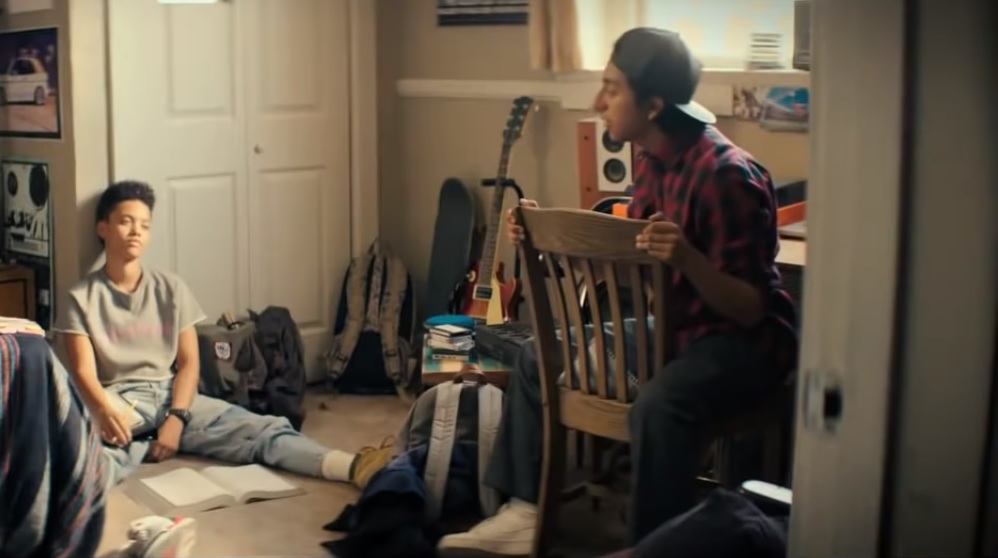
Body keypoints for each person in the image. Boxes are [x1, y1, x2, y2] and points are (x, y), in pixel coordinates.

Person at [437, 27, 799, 555]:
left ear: (653, 105)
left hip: (741, 343)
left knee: (658, 407)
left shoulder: (727, 178)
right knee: (538, 358)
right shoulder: (650, 161)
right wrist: (545, 239)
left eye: (611, 88)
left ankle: (652, 547)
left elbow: (750, 308)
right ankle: (524, 513)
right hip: (673, 326)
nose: (597, 102)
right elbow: (633, 266)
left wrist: (688, 259)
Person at [56, 180, 376, 486]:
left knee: (263, 429)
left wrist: (177, 418)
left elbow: (189, 364)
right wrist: (104, 411)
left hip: (171, 394)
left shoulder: (171, 288)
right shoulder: (81, 298)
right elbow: (84, 373)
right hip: (120, 400)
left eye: (145, 224)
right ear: (103, 229)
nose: (136, 231)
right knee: (79, 454)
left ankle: (353, 467)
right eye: (126, 221)